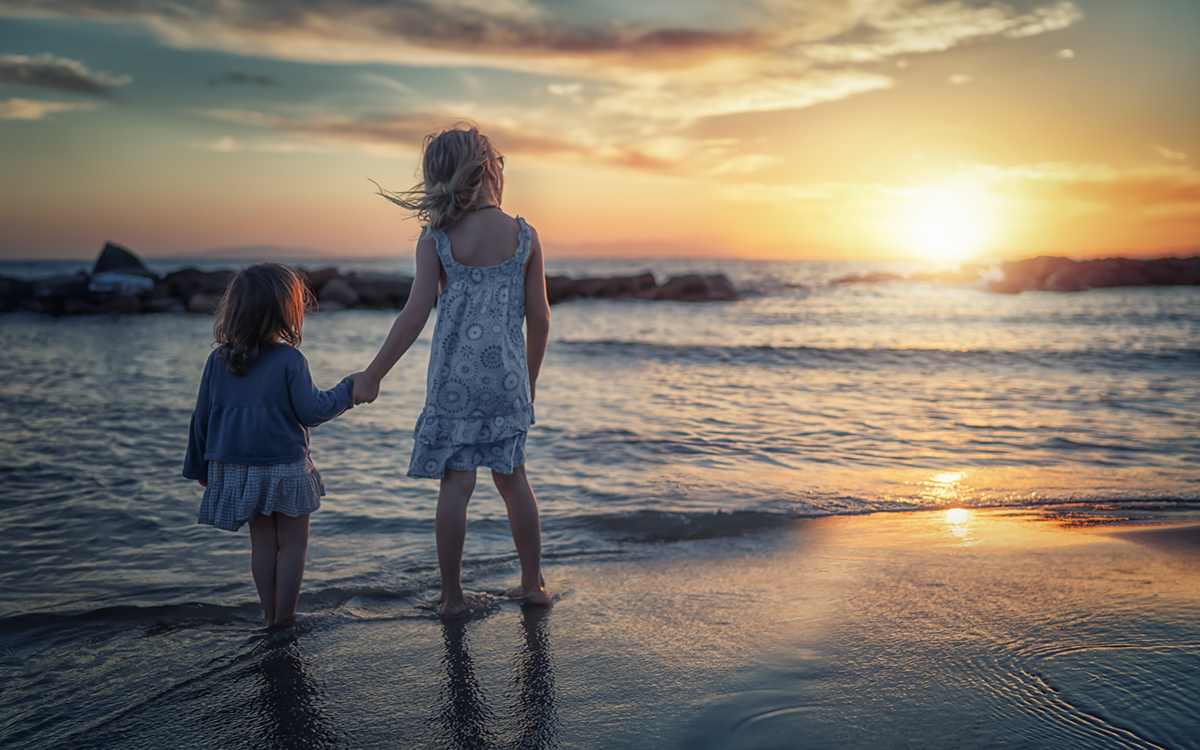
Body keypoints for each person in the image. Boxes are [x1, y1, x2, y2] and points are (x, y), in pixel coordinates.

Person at [352, 124, 552, 618]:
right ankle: (533, 585)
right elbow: (541, 319)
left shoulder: (437, 237)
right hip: (507, 384)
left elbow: (414, 315)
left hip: (454, 386)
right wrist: (527, 383)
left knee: (456, 487)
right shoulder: (523, 235)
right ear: (490, 168)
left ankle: (453, 597)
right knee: (514, 481)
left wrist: (374, 373)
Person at [183, 262, 358, 628]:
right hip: (284, 466)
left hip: (238, 469)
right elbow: (313, 411)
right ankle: (286, 617)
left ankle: (269, 617)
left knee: (263, 546)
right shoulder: (290, 360)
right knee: (293, 544)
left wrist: (199, 468)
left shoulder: (218, 361)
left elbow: (201, 418)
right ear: (285, 312)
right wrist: (349, 391)